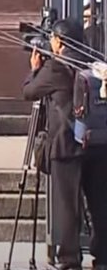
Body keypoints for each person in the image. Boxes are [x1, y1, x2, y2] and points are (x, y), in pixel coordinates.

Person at [23, 18, 107, 270]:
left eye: (52, 38)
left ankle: (70, 259)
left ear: (59, 42)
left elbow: (29, 92)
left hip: (67, 146)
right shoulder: (95, 63)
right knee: (100, 203)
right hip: (99, 145)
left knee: (67, 204)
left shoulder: (56, 68)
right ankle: (103, 257)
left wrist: (34, 69)